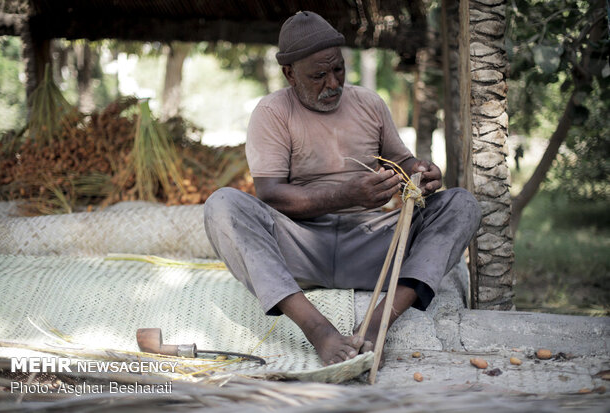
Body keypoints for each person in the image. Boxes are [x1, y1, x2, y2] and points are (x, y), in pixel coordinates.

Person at [204, 11, 481, 366]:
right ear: (289, 74)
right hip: (300, 247)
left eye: (338, 70)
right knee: (222, 204)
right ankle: (319, 330)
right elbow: (270, 194)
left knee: (461, 204)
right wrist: (345, 195)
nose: (332, 83)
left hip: (373, 245)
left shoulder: (369, 104)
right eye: (318, 76)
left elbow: (403, 161)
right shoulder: (272, 112)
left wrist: (422, 175)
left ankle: (376, 325)